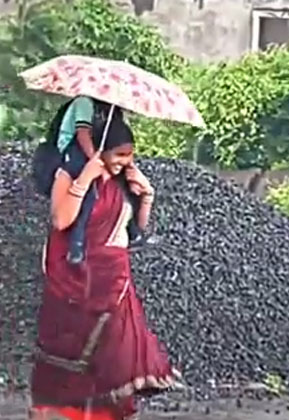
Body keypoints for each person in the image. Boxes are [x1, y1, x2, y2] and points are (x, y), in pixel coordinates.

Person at [29, 117, 179, 420]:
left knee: (114, 355)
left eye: (131, 155)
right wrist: (86, 177)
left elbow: (134, 229)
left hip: (114, 280)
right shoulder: (69, 172)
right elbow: (61, 222)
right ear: (101, 150)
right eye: (121, 155)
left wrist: (146, 196)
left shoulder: (123, 180)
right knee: (72, 352)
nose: (127, 162)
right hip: (76, 279)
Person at [53, 95, 143, 264]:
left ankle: (132, 228)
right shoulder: (84, 103)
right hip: (73, 149)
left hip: (98, 147)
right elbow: (82, 133)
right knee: (90, 190)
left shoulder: (112, 108)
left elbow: (119, 135)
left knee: (124, 182)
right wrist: (95, 160)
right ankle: (77, 242)